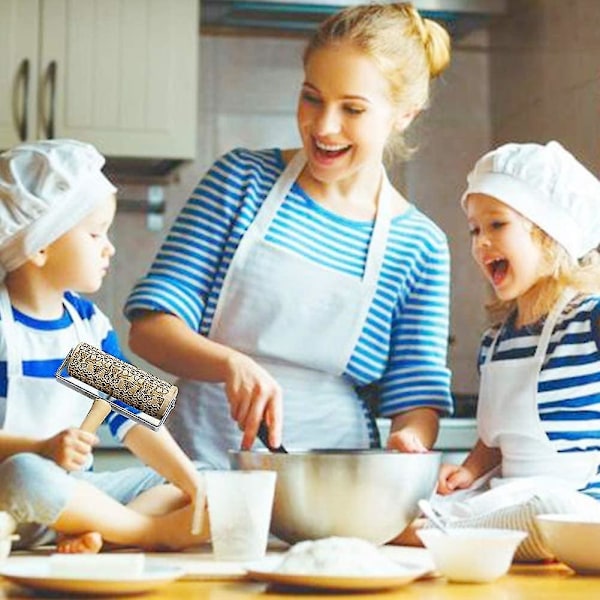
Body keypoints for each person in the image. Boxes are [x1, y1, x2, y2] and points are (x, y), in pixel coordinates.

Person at [125, 2, 454, 468]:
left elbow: (415, 394)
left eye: (353, 109)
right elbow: (149, 330)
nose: (323, 126)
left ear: (404, 114)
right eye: (312, 97)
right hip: (200, 464)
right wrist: (230, 364)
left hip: (333, 477)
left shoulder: (419, 245)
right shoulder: (241, 181)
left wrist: (409, 442)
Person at [0, 139, 208, 553]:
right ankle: (144, 533)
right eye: (95, 233)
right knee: (25, 472)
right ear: (39, 245)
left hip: (80, 495)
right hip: (11, 496)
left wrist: (194, 484)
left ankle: (97, 529)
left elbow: (137, 417)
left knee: (206, 475)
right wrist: (41, 448)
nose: (107, 246)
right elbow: (23, 469)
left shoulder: (88, 327)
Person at [412, 141, 600, 561]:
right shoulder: (495, 343)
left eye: (497, 225)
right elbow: (495, 441)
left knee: (549, 512)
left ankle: (453, 534)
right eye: (475, 229)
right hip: (511, 499)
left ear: (550, 233)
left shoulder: (590, 322)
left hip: (578, 506)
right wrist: (470, 471)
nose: (481, 242)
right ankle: (462, 532)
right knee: (421, 508)